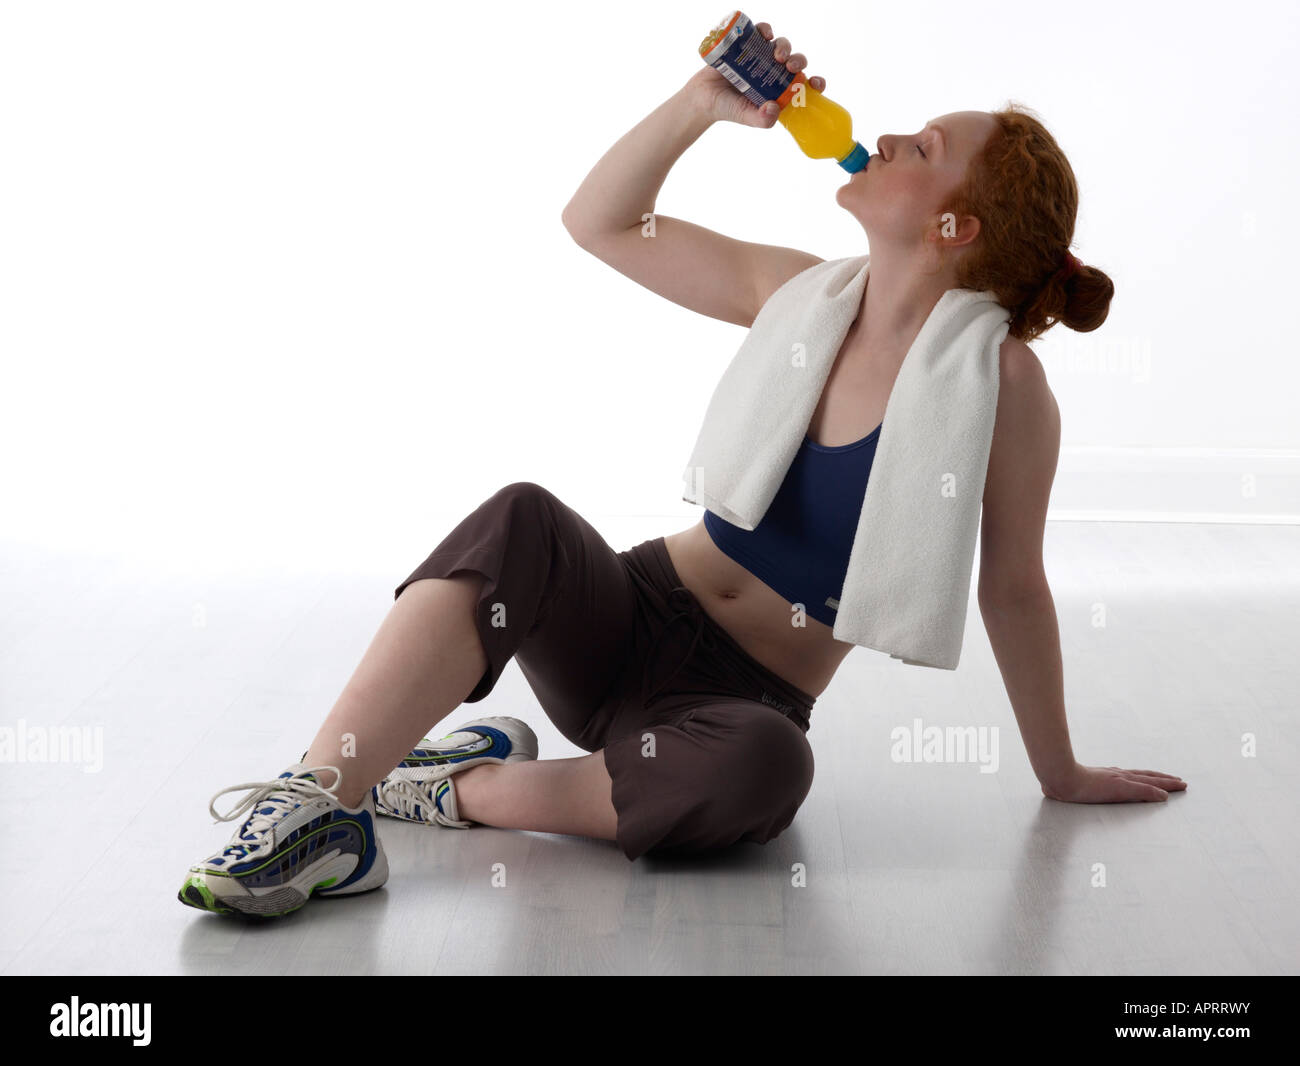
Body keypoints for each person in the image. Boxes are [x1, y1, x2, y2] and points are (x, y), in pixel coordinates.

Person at [179, 23, 1185, 919]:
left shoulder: (1000, 387)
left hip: (734, 702)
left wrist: (1060, 771)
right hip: (622, 620)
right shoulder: (798, 293)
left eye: (920, 149)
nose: (883, 139)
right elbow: (600, 222)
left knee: (766, 770)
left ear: (955, 226)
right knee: (520, 516)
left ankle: (453, 787)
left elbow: (1012, 587)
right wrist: (702, 105)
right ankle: (323, 804)